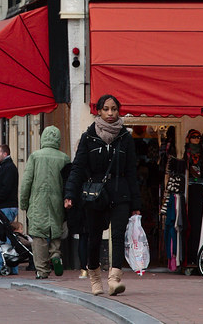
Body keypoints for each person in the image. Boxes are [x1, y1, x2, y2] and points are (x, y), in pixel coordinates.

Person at [64, 94, 141, 297]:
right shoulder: (88, 137)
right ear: (98, 111)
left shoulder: (125, 137)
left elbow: (132, 172)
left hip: (120, 193)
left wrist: (136, 204)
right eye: (106, 109)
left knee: (118, 235)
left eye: (114, 109)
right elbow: (78, 167)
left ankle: (114, 279)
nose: (110, 113)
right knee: (94, 237)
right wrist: (70, 194)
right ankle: (95, 278)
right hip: (95, 194)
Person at [19, 125, 70, 279]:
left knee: (38, 236)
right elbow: (68, 182)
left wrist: (23, 202)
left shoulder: (35, 156)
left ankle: (42, 270)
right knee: (55, 231)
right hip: (57, 201)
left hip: (38, 201)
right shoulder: (64, 158)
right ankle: (55, 254)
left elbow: (26, 181)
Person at [0, 144, 19, 275]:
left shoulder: (8, 168)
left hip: (6, 206)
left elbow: (5, 188)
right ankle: (11, 266)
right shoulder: (3, 168)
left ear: (5, 154)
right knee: (7, 236)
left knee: (5, 237)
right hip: (5, 205)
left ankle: (2, 266)